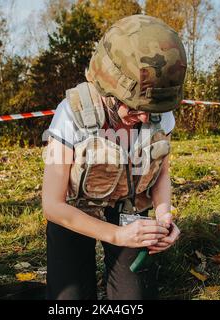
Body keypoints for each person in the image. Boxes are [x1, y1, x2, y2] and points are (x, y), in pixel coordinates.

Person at [42, 14, 187, 300]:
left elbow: (162, 172)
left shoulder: (158, 108)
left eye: (151, 107)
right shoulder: (71, 114)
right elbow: (52, 205)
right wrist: (117, 236)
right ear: (110, 89)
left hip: (128, 208)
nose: (145, 116)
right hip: (75, 212)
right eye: (135, 107)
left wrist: (163, 214)